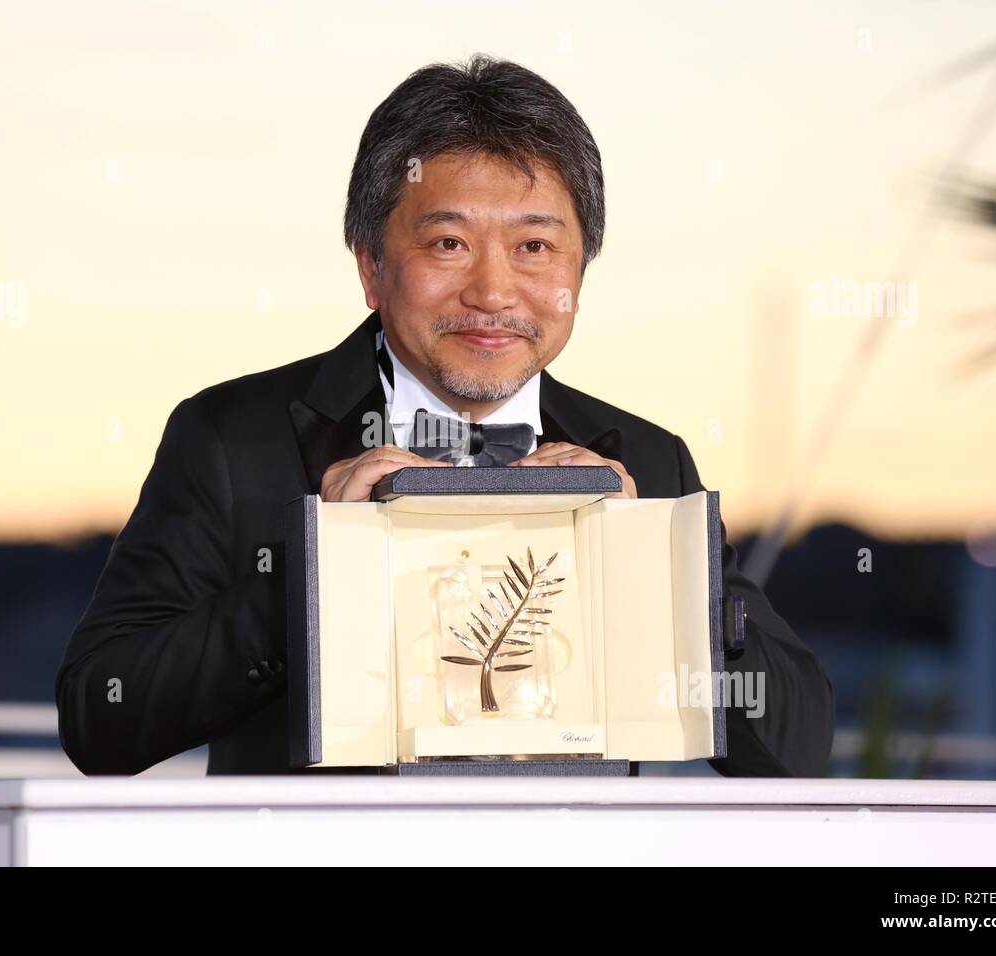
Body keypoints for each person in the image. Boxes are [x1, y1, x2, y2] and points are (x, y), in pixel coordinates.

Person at [55, 54, 835, 777]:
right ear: (370, 264)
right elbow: (101, 717)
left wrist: (652, 571)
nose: (494, 293)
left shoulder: (650, 461)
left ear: (580, 268)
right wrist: (316, 572)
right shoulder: (233, 438)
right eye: (449, 243)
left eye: (534, 247)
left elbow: (796, 748)